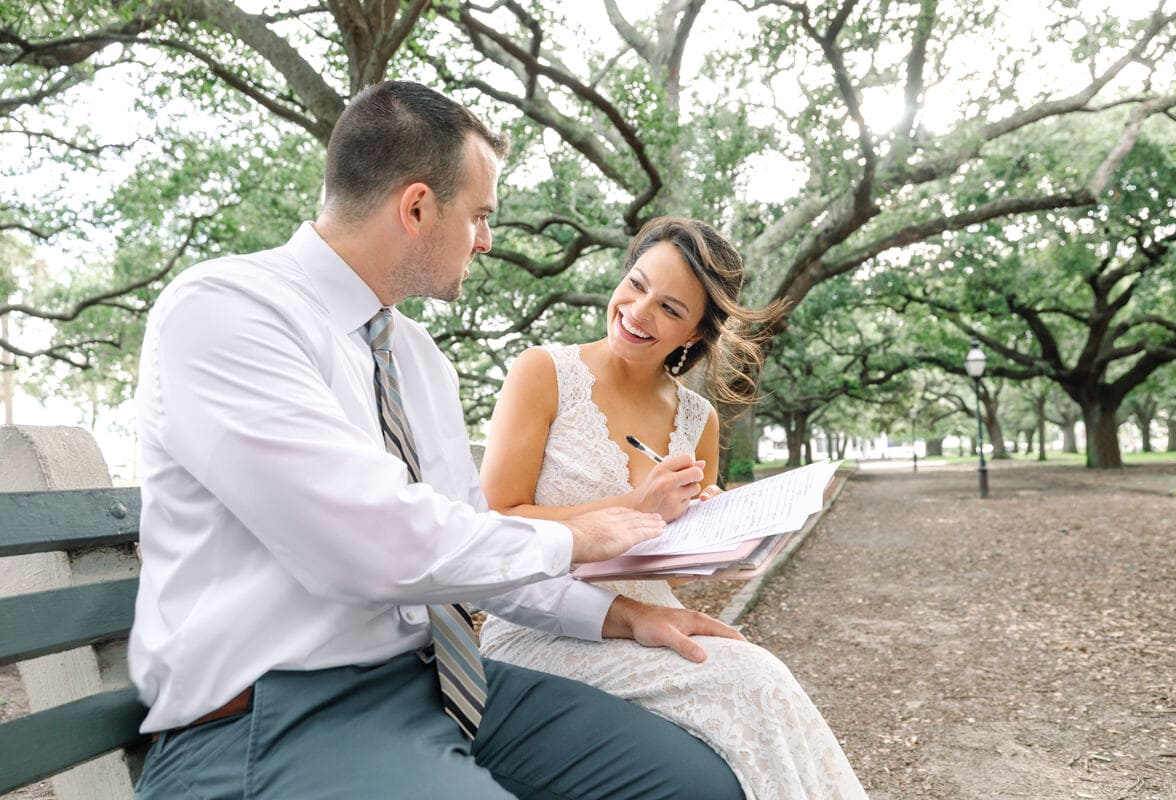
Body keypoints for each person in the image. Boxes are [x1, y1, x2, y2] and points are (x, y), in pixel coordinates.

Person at [128, 81, 749, 799]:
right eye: (480, 216)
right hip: (267, 717)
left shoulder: (416, 358)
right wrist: (583, 536)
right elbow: (372, 546)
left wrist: (625, 616)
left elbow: (472, 543)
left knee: (695, 785)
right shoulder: (227, 312)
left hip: (432, 681)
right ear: (418, 207)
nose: (486, 239)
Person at [478, 216, 870, 800]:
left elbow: (676, 571)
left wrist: (715, 531)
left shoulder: (698, 419)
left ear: (693, 335)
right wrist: (639, 504)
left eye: (669, 308)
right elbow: (496, 522)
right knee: (756, 682)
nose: (638, 313)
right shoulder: (543, 372)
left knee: (760, 682)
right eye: (637, 285)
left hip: (656, 613)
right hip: (544, 622)